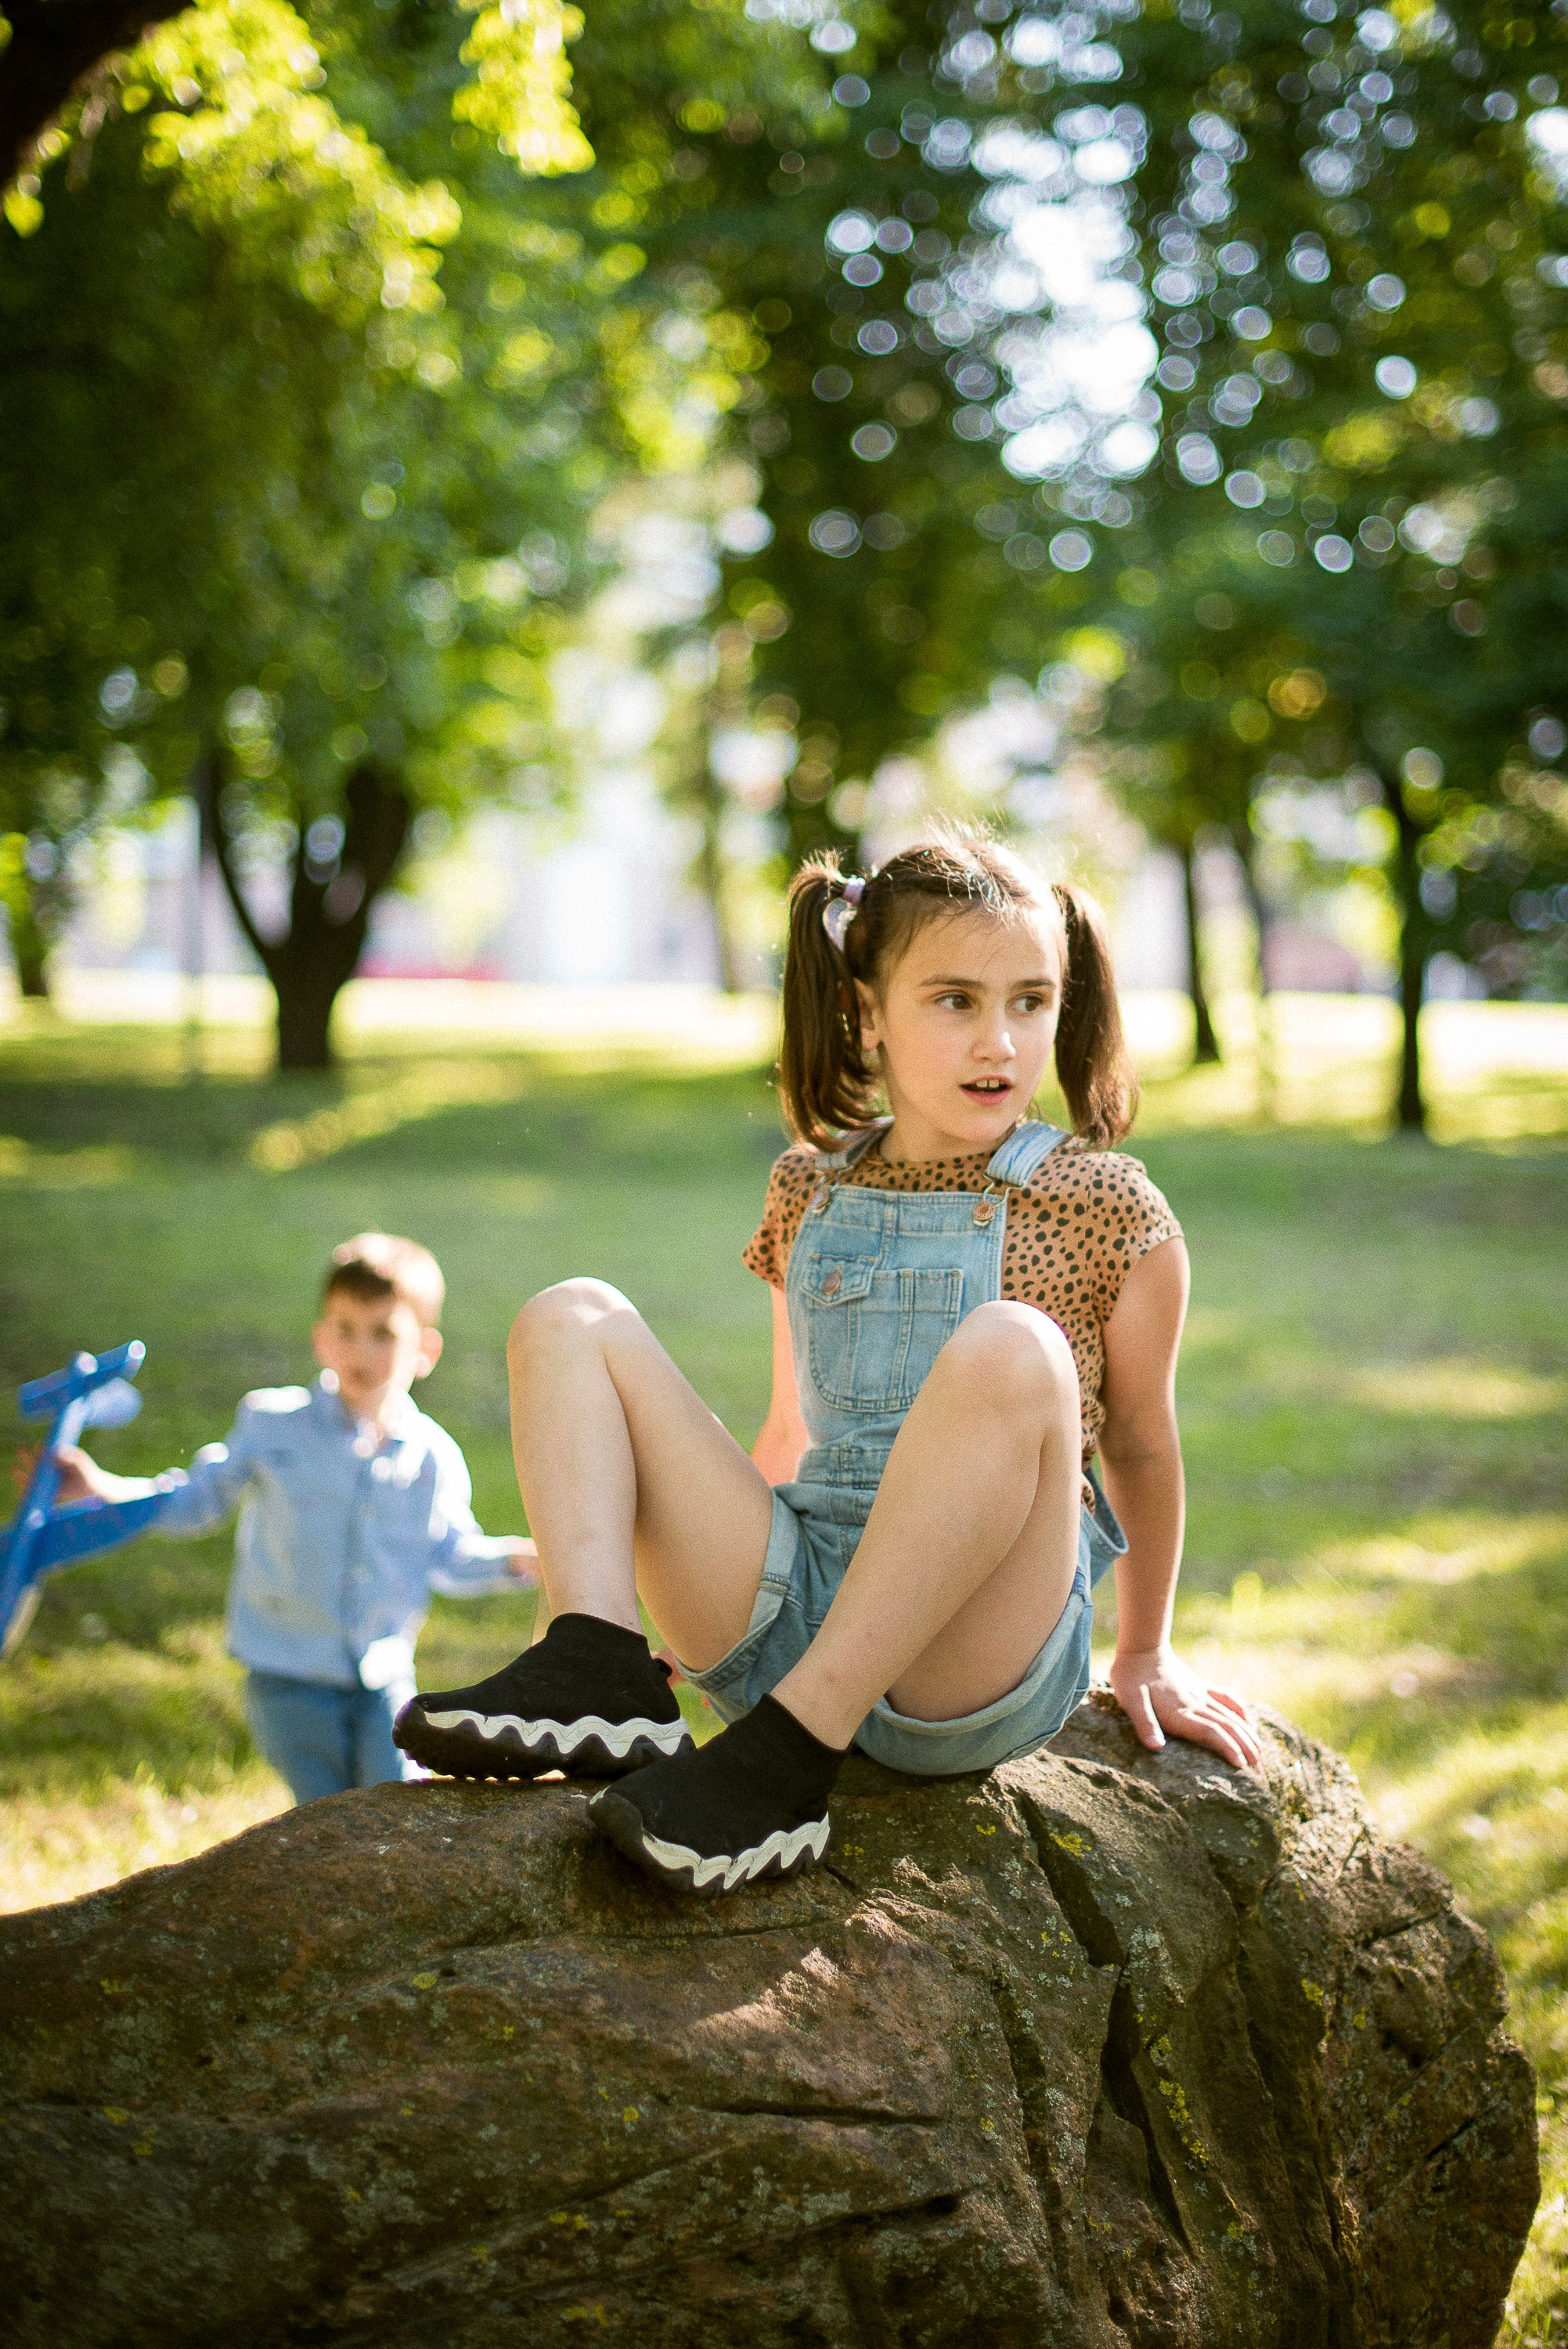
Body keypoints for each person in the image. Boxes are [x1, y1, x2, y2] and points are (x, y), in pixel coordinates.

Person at [396, 835, 1260, 1893]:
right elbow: (785, 1432)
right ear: (865, 1013)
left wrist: (1143, 1654)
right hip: (798, 1598)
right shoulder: (808, 1187)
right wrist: (673, 1587)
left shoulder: (1104, 1204)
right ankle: (596, 1671)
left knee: (1010, 1346)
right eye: (952, 1000)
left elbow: (1138, 1443)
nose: (998, 1041)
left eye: (1028, 1002)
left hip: (969, 1652)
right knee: (568, 1318)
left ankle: (788, 1761)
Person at [53, 1232, 536, 1804]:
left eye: (383, 1333)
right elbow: (196, 1498)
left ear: (425, 1351)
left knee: (397, 1806)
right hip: (287, 1678)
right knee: (324, 1814)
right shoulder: (272, 1425)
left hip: (380, 1681)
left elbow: (450, 1555)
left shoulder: (432, 1456)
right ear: (320, 1339)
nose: (360, 1350)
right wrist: (103, 1489)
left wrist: (521, 1558)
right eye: (344, 1329)